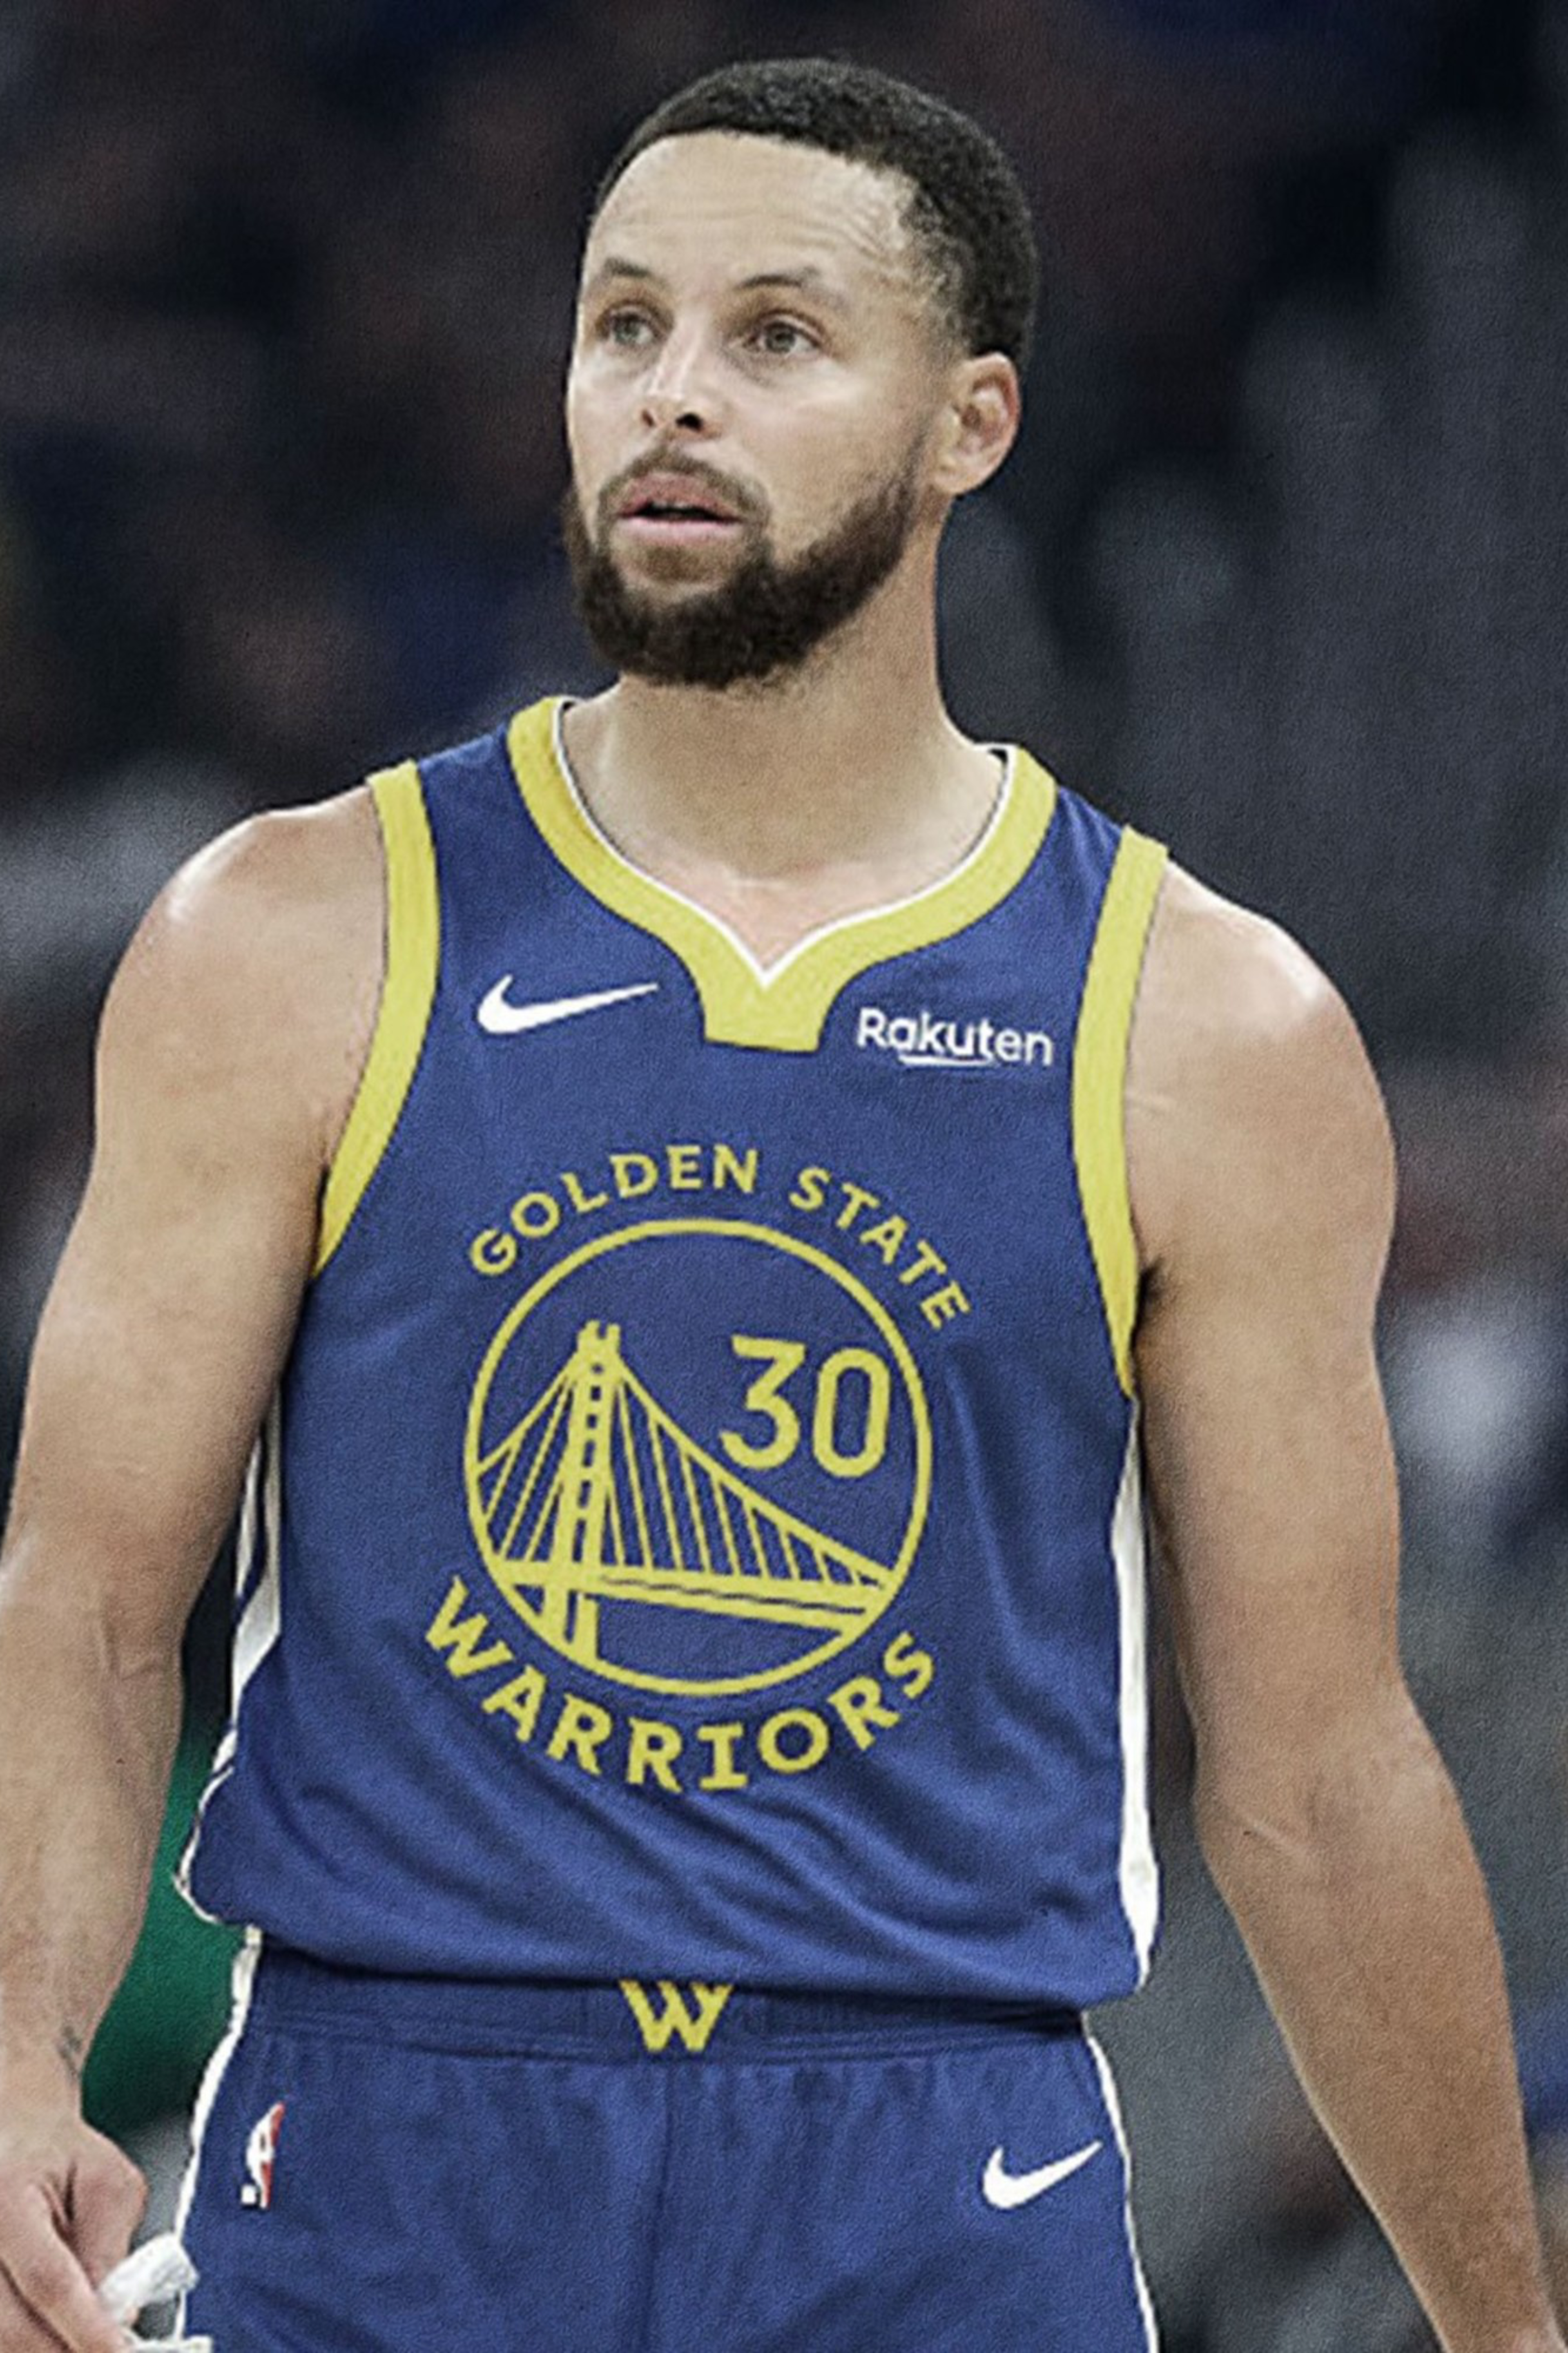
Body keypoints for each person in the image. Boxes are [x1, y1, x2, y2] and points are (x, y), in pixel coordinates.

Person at [0, 55, 1559, 2353]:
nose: (669, 400)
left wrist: (1504, 2332)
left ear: (974, 424)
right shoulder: (293, 936)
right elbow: (98, 1594)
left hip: (938, 2171)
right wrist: (20, 2045)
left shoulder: (1199, 1026)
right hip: (389, 2142)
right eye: (620, 328)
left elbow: (1319, 1776)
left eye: (774, 339)